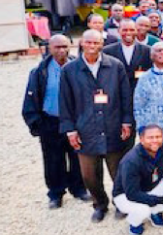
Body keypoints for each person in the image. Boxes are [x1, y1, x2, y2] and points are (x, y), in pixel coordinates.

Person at [59, 29, 133, 223]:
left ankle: (121, 204)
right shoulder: (69, 70)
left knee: (118, 172)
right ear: (81, 43)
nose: (92, 46)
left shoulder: (115, 66)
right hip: (85, 130)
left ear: (102, 44)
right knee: (89, 175)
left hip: (113, 127)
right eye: (88, 42)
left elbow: (126, 96)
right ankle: (100, 205)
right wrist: (70, 130)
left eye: (96, 43)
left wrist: (126, 121)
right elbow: (64, 103)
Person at [22, 34, 89, 209]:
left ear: (70, 47)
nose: (61, 50)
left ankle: (79, 188)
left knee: (77, 157)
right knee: (53, 160)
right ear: (49, 48)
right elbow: (31, 98)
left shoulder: (79, 67)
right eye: (57, 47)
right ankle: (56, 193)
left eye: (64, 46)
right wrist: (36, 122)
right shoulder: (40, 71)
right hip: (50, 122)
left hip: (75, 122)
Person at [111, 125, 163, 235]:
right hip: (125, 195)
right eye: (150, 137)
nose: (155, 140)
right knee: (143, 210)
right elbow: (132, 194)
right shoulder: (131, 160)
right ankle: (134, 223)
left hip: (149, 186)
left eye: (158, 137)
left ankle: (154, 212)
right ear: (141, 140)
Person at [103, 18, 152, 92]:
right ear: (118, 31)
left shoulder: (147, 51)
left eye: (132, 30)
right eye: (125, 30)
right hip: (116, 93)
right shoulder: (107, 51)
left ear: (136, 31)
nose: (128, 33)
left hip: (139, 92)